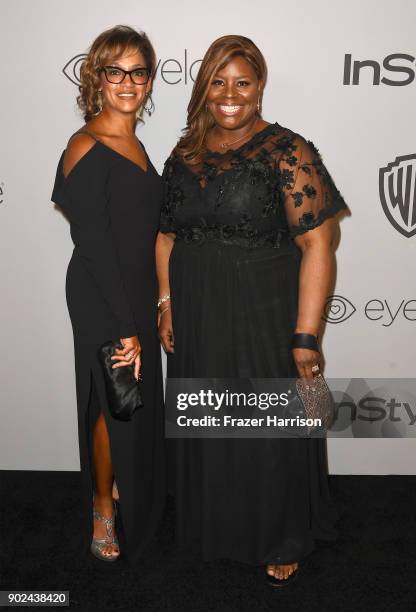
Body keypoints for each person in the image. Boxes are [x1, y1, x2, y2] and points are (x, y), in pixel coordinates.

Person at [156, 34, 348, 586]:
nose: (230, 94)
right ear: (203, 88)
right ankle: (212, 522)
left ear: (260, 86)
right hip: (195, 307)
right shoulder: (184, 153)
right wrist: (166, 302)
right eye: (218, 81)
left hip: (262, 308)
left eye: (242, 81)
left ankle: (279, 532)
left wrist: (306, 337)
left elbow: (318, 244)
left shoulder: (289, 149)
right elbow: (166, 237)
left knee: (267, 425)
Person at [51, 25, 165, 563]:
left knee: (131, 401)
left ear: (148, 80)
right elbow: (94, 247)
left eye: (137, 71)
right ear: (96, 77)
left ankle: (120, 483)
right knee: (112, 402)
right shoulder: (84, 145)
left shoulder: (138, 143)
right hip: (102, 294)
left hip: (138, 288)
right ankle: (101, 507)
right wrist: (126, 327)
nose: (127, 81)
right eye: (114, 70)